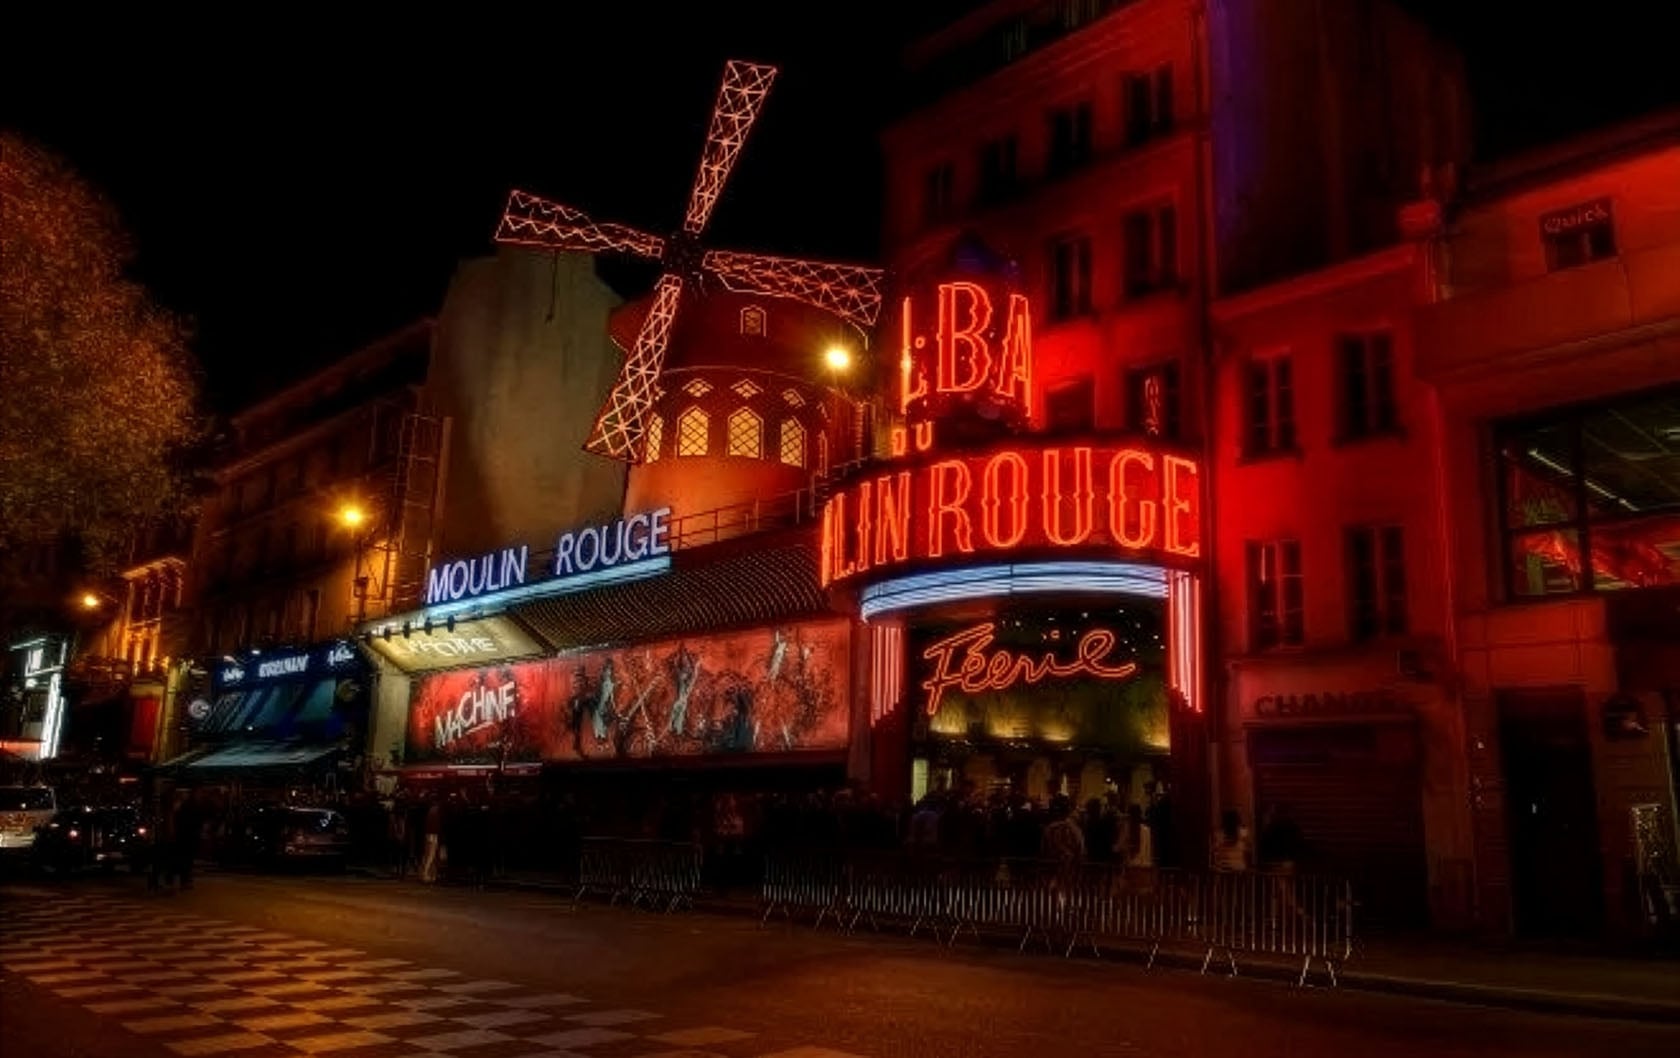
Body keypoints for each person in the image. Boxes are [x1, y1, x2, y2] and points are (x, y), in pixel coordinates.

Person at [419, 796, 443, 883]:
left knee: (428, 855)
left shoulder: (430, 810)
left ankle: (429, 874)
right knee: (431, 855)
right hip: (434, 835)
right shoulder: (437, 811)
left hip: (428, 834)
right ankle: (425, 874)